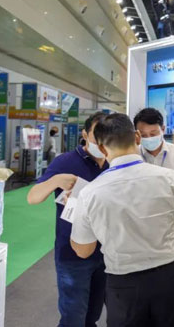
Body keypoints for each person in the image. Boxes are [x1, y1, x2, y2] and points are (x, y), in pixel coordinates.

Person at [70, 113, 174, 327]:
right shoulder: (169, 178)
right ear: (137, 137)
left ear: (102, 148)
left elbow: (83, 250)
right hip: (170, 275)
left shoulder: (90, 193)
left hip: (124, 283)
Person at [27, 112, 108, 327]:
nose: (101, 142)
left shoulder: (113, 163)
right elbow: (33, 197)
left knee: (93, 315)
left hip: (106, 252)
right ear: (85, 134)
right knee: (73, 317)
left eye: (106, 136)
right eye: (96, 135)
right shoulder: (65, 162)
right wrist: (55, 181)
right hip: (72, 254)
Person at [134, 107, 174, 186]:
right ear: (137, 134)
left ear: (163, 129)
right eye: (143, 135)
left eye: (153, 134)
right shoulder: (134, 156)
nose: (149, 138)